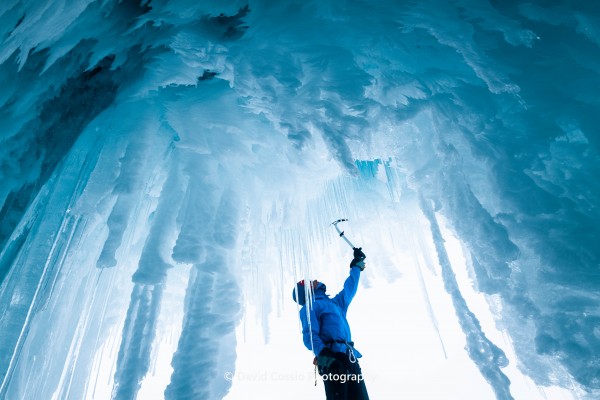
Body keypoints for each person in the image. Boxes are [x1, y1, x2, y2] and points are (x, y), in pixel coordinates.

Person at [292, 247, 370, 400]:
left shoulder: (336, 304)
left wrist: (356, 266)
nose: (312, 280)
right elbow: (309, 335)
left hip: (349, 356)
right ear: (305, 290)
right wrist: (324, 354)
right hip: (332, 359)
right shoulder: (310, 307)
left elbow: (350, 288)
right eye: (305, 282)